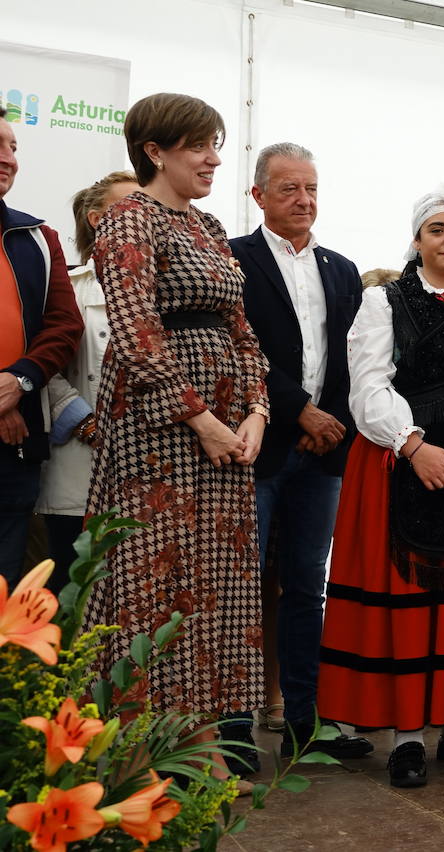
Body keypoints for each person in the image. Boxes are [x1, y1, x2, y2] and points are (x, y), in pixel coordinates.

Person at [315, 182, 444, 790]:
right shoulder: (384, 303)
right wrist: (414, 447)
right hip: (397, 466)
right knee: (409, 601)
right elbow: (368, 384)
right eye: (437, 230)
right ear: (417, 240)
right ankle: (406, 737)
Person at [84, 93, 269, 777]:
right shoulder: (127, 218)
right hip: (156, 433)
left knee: (215, 587)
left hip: (227, 431)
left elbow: (244, 334)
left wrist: (254, 414)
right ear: (155, 151)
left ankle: (197, 743)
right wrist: (202, 419)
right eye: (198, 145)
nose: (213, 158)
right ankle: (135, 753)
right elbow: (136, 334)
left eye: (216, 144)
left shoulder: (213, 226)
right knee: (151, 585)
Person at [226, 142, 370, 771]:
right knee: (242, 586)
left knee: (308, 584)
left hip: (324, 451)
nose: (304, 200)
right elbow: (239, 352)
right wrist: (296, 411)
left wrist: (327, 420)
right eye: (288, 189)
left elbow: (354, 357)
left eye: (310, 188)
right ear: (258, 195)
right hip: (255, 448)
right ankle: (234, 727)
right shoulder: (232, 259)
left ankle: (304, 722)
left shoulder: (342, 269)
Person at [34, 172, 137, 593]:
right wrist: (84, 421)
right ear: (97, 220)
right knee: (74, 591)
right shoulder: (70, 290)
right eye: (130, 207)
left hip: (145, 469)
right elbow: (43, 365)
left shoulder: (167, 290)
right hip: (80, 463)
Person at [0, 117, 82, 586]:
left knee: (7, 590)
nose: (8, 157)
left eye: (14, 146)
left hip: (13, 450)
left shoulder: (37, 238)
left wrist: (19, 380)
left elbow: (63, 325)